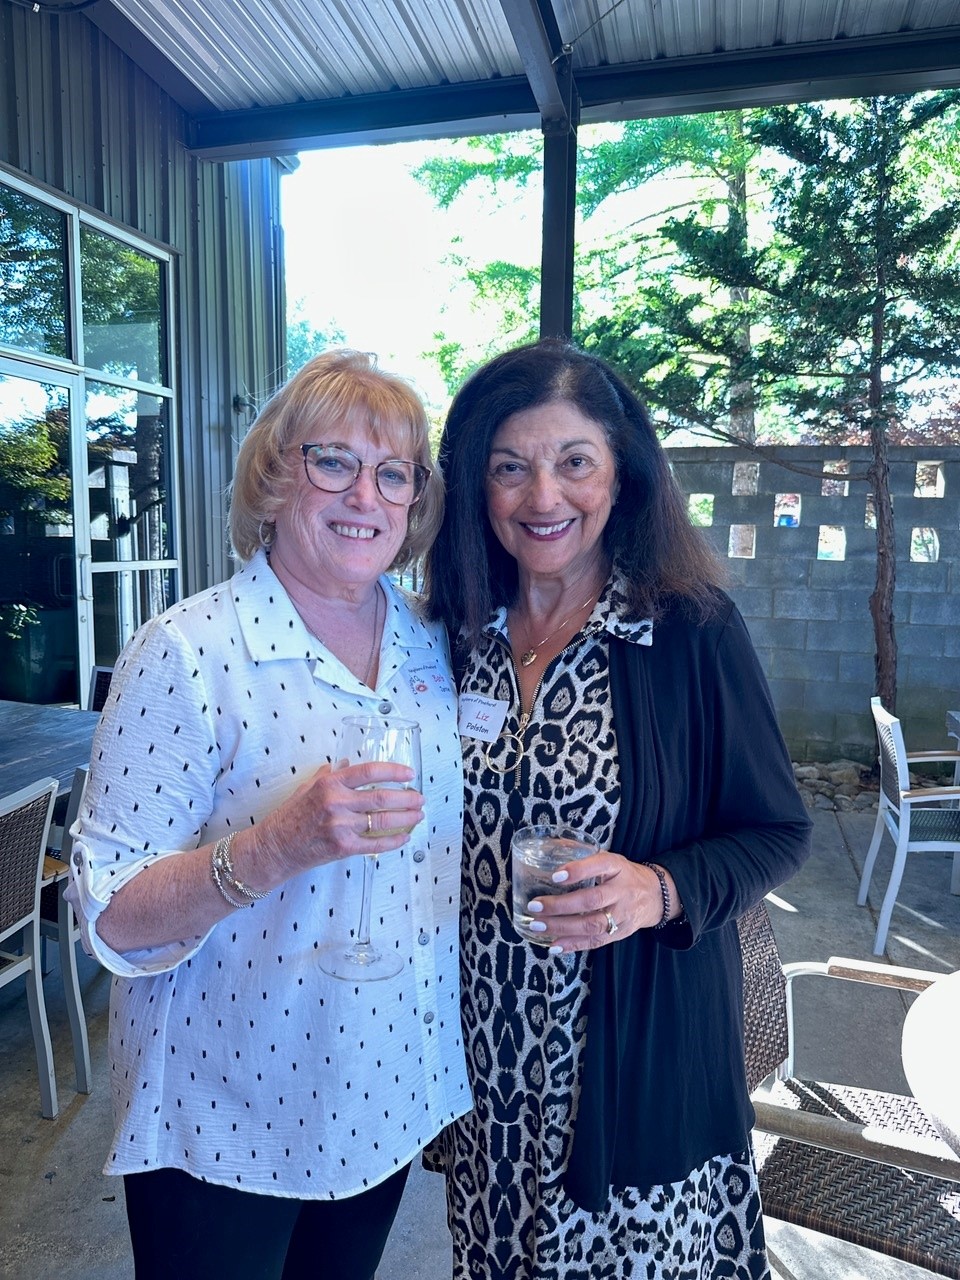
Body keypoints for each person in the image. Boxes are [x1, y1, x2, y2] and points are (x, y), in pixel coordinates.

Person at [67, 350, 470, 1280]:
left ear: (415, 500)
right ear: (277, 477)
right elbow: (113, 915)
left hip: (386, 1091)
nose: (365, 495)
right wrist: (275, 847)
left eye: (394, 472)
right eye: (334, 461)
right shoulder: (188, 651)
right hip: (229, 1108)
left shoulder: (433, 646)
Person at [422, 339, 813, 1279]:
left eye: (574, 461)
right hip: (484, 1070)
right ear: (475, 484)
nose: (542, 496)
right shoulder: (451, 634)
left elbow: (779, 830)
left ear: (623, 473)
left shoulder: (689, 631)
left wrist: (658, 890)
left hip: (641, 1064)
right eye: (509, 467)